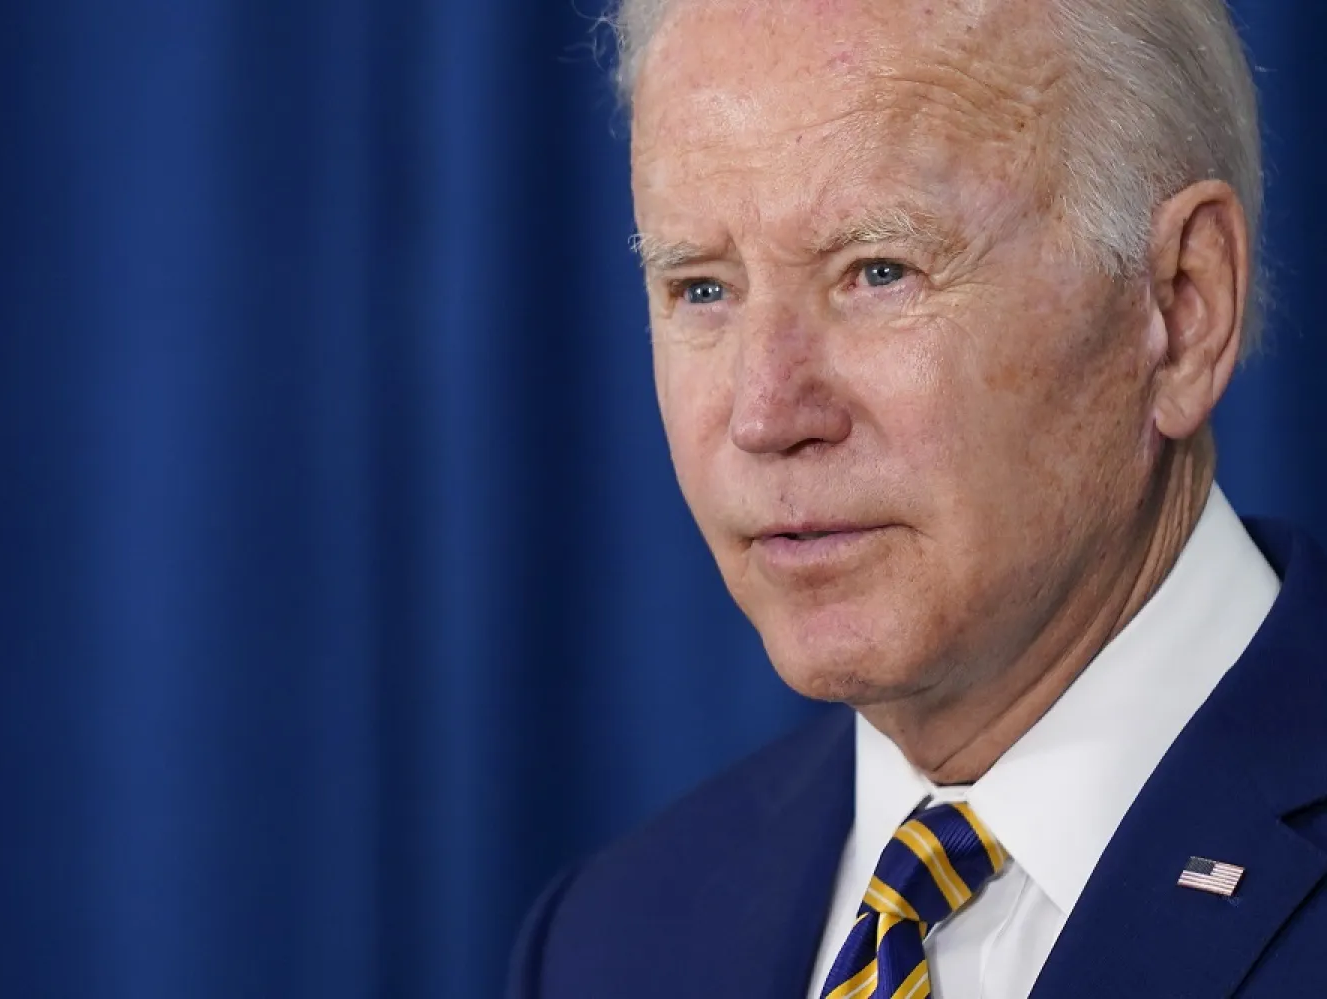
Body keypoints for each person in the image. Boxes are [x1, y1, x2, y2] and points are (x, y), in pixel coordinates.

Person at [506, 0, 1327, 996]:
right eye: (703, 290)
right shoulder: (611, 938)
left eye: (879, 271)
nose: (767, 413)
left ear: (1180, 305)